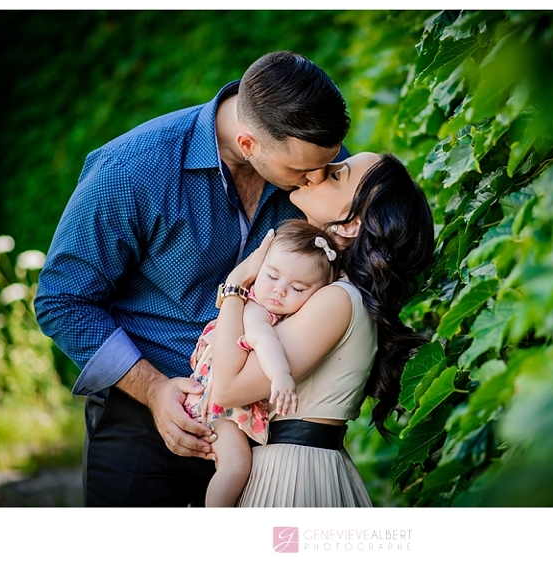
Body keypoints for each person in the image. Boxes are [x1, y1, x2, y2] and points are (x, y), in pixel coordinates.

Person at [34, 51, 351, 506]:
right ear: (248, 144)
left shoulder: (313, 159)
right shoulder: (130, 170)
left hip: (269, 427)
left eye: (328, 164)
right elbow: (63, 300)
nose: (318, 179)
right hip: (143, 417)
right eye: (301, 171)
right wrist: (152, 389)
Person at [203, 151, 435, 506]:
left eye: (338, 174)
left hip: (292, 476)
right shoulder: (331, 293)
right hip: (293, 464)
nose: (318, 171)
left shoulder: (336, 300)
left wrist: (236, 285)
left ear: (350, 224)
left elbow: (228, 388)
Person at [183, 219, 341, 506]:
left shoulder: (288, 312)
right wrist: (281, 375)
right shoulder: (255, 309)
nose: (279, 290)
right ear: (258, 267)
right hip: (217, 405)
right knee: (236, 465)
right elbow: (263, 338)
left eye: (298, 288)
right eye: (271, 276)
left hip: (230, 405)